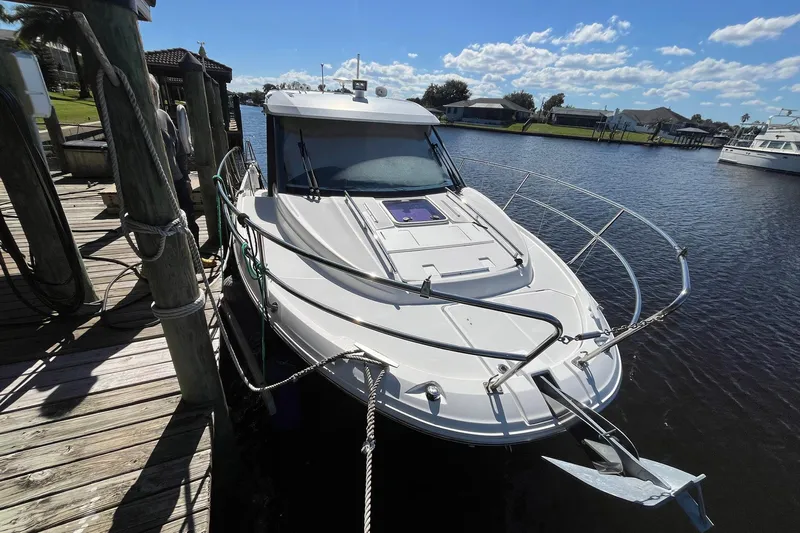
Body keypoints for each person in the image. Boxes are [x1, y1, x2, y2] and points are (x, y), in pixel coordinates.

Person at [147, 75, 214, 268]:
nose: (150, 95)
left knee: (188, 219)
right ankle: (157, 267)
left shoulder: (162, 116)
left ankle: (194, 258)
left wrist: (184, 176)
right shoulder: (133, 122)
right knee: (157, 228)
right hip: (151, 186)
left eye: (152, 91)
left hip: (175, 180)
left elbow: (178, 149)